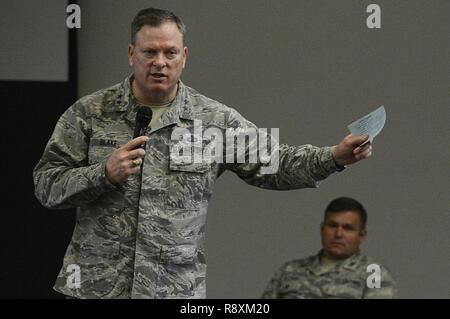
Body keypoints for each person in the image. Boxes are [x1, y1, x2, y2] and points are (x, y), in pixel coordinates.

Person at [33, 8, 373, 299]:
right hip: (96, 287)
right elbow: (47, 185)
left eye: (170, 53)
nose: (160, 63)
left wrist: (333, 157)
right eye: (150, 52)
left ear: (184, 56)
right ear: (131, 54)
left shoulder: (214, 120)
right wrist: (103, 173)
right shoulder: (90, 113)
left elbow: (277, 161)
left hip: (174, 291)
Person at [262, 197, 396, 299]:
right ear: (322, 229)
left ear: (361, 235)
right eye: (332, 225)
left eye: (348, 228)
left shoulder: (374, 274)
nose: (338, 234)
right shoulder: (290, 270)